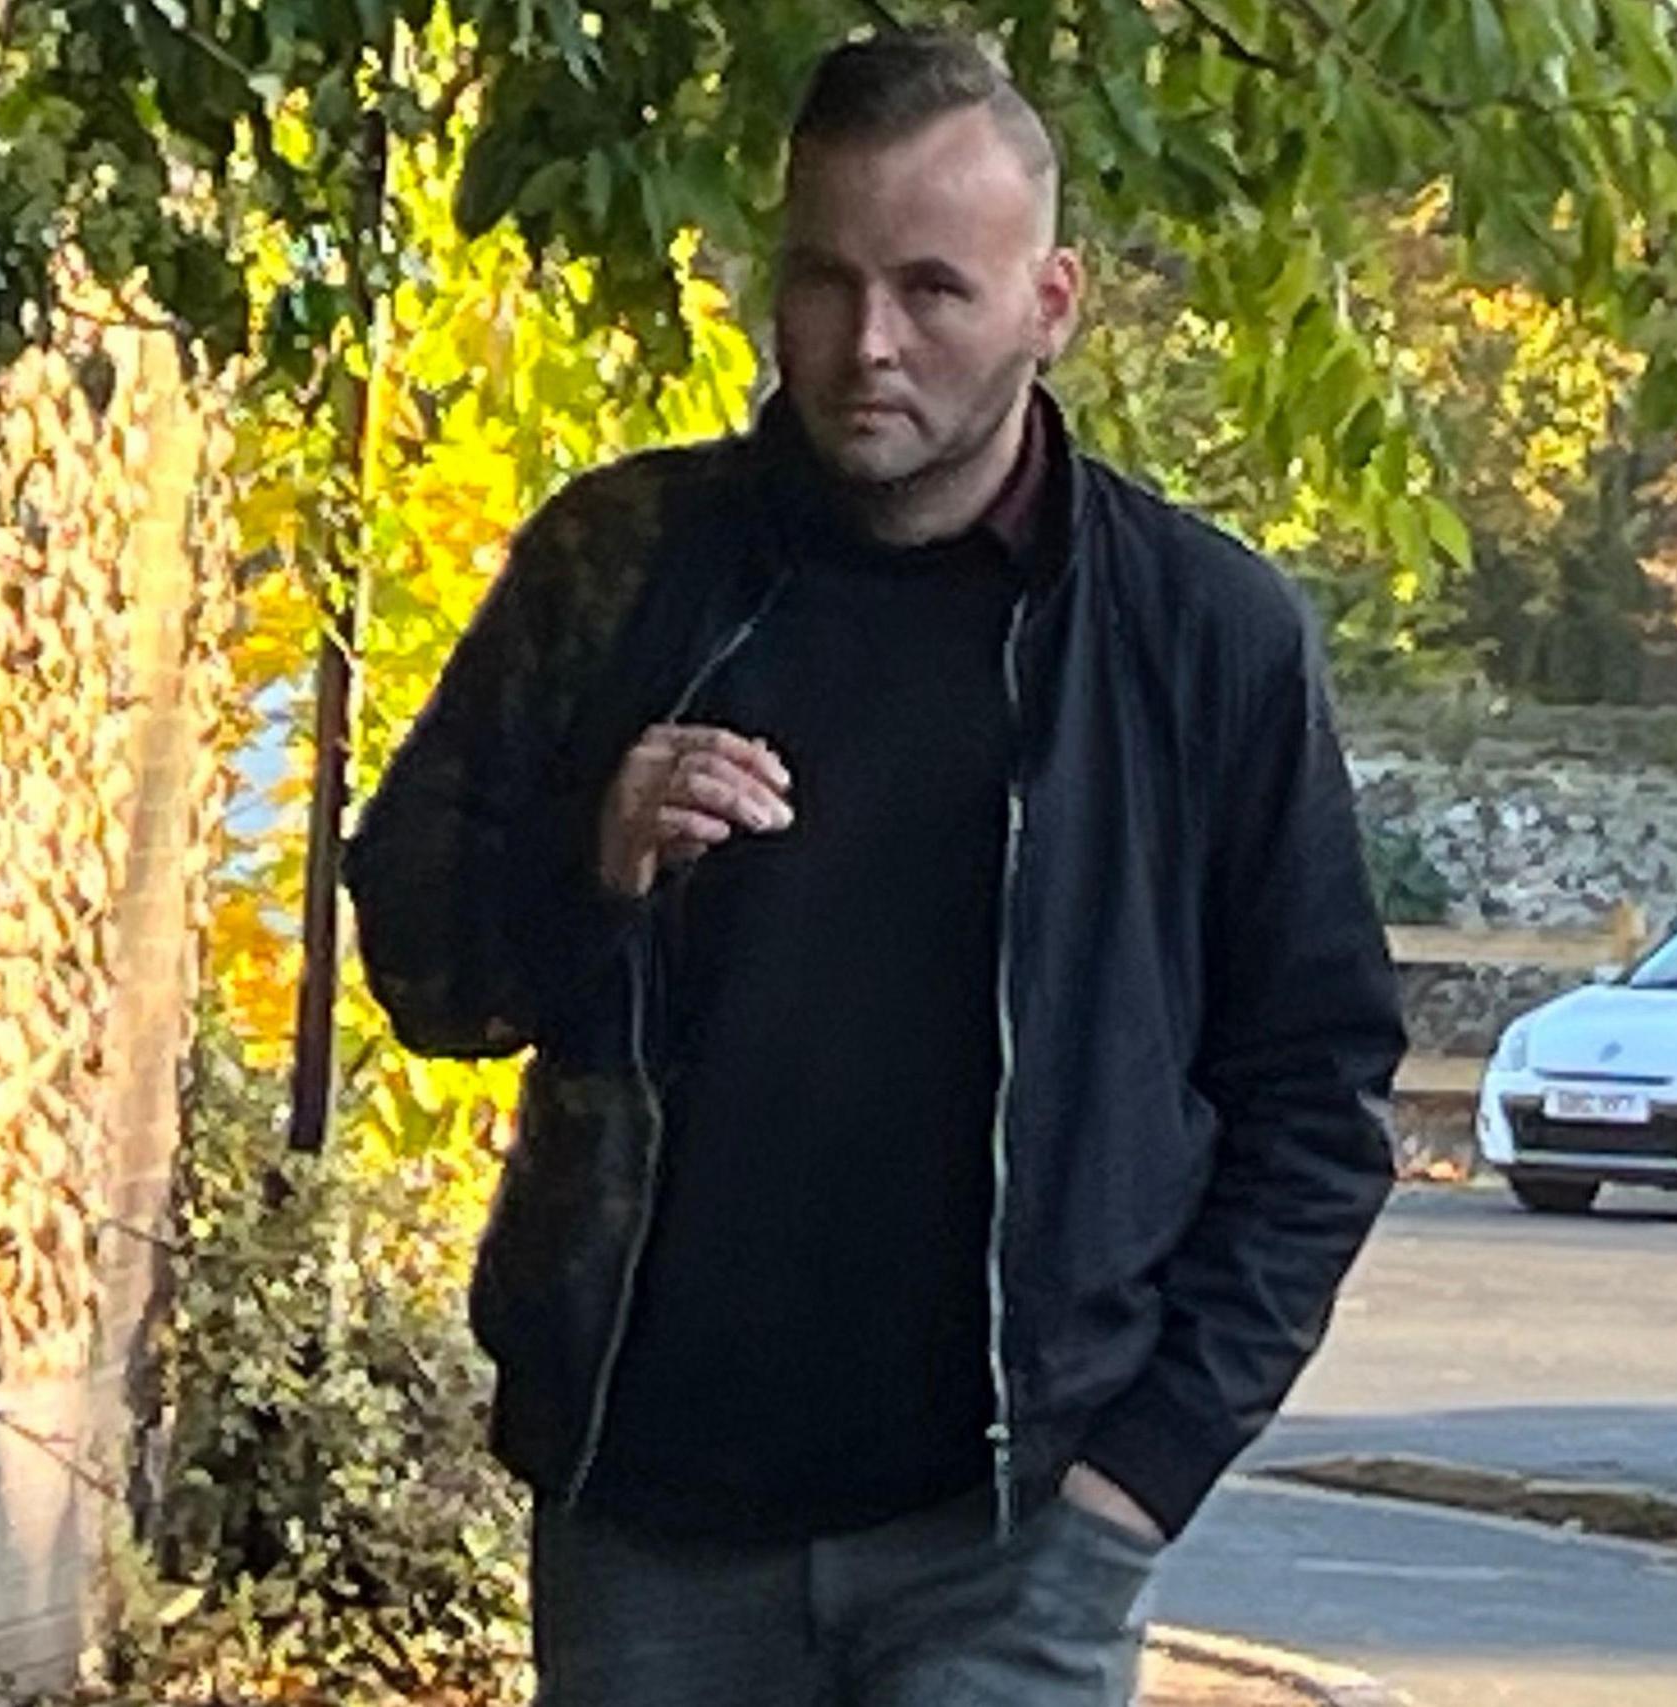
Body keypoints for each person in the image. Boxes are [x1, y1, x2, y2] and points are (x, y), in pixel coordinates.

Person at [343, 27, 1406, 1707]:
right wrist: (590, 859)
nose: (865, 345)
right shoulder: (621, 573)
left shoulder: (1202, 636)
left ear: (1053, 303)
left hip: (1009, 1538)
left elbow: (1319, 1088)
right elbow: (417, 961)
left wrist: (1144, 1470)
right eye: (822, 281)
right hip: (650, 1517)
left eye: (932, 290)